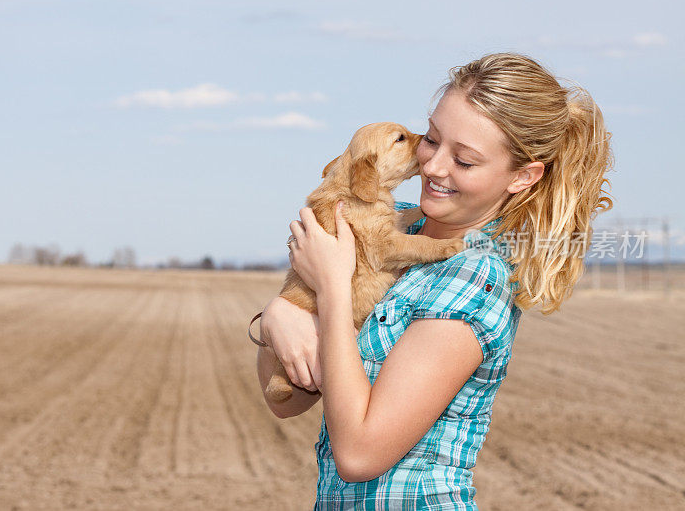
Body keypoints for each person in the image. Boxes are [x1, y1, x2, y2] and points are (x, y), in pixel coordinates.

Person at [254, 52, 614, 509]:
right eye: (433, 139)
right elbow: (286, 402)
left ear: (522, 176)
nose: (433, 166)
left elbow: (359, 455)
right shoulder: (401, 234)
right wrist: (279, 315)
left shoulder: (469, 277)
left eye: (463, 161)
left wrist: (331, 292)